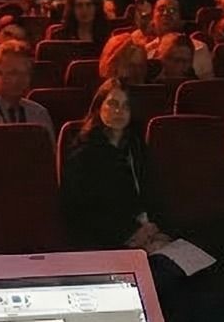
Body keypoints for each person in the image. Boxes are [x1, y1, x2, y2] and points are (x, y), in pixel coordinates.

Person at [57, 80, 207, 306]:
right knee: (166, 279)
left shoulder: (136, 146)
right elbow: (82, 212)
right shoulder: (83, 154)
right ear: (99, 108)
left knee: (200, 266)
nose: (119, 111)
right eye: (113, 104)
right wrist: (133, 235)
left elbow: (154, 195)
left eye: (125, 106)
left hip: (149, 235)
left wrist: (158, 230)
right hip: (111, 240)